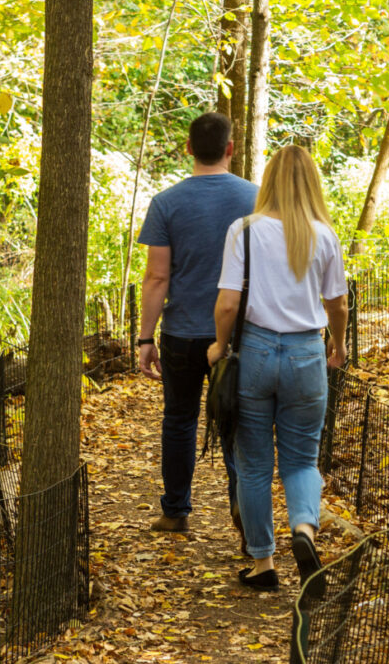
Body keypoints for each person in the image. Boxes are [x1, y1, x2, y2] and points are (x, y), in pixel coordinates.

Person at [208, 144, 348, 591]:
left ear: (267, 182)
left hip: (255, 353)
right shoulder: (324, 235)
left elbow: (229, 303)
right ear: (313, 184)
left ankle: (263, 563)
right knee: (302, 459)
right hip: (308, 353)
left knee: (252, 463)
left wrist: (219, 346)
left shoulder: (243, 231)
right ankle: (304, 529)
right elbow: (338, 304)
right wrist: (338, 345)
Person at [136, 112, 259, 538]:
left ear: (188, 148)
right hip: (242, 333)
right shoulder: (258, 199)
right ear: (230, 149)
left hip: (183, 333)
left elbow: (157, 277)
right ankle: (245, 514)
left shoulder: (166, 202)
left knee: (179, 420)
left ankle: (174, 512)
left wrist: (145, 337)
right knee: (237, 424)